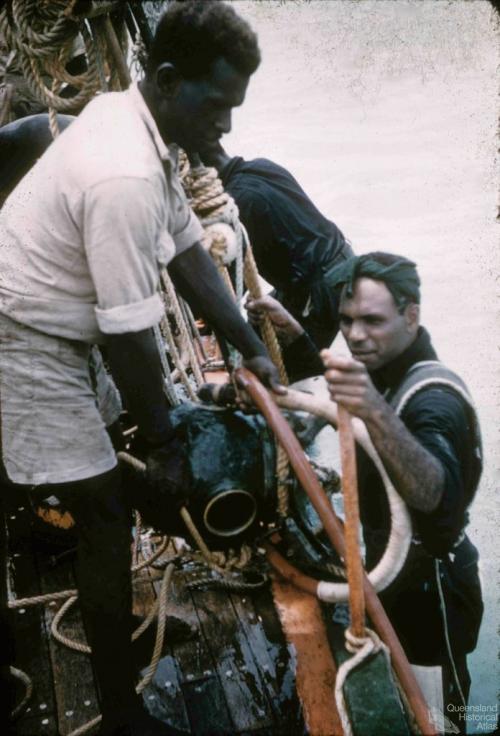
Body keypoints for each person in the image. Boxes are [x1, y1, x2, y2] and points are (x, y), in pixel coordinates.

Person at [0, 2, 285, 735]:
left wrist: (244, 338)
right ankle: (122, 712)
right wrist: (164, 448)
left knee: (108, 481)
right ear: (164, 79)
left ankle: (112, 621)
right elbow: (130, 335)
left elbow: (185, 238)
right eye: (217, 106)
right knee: (104, 514)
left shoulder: (134, 122)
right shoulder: (120, 173)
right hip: (22, 335)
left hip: (63, 323)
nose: (225, 128)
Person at [249, 252, 483, 733]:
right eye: (347, 320)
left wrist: (374, 410)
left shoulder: (436, 399)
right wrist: (296, 335)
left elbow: (437, 497)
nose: (355, 336)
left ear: (411, 315)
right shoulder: (388, 363)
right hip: (392, 578)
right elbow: (338, 389)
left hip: (431, 596)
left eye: (372, 321)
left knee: (442, 717)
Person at [198, 141, 354, 351]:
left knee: (291, 367)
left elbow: (233, 287)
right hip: (340, 261)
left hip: (321, 289)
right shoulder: (263, 166)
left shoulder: (236, 204)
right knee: (255, 330)